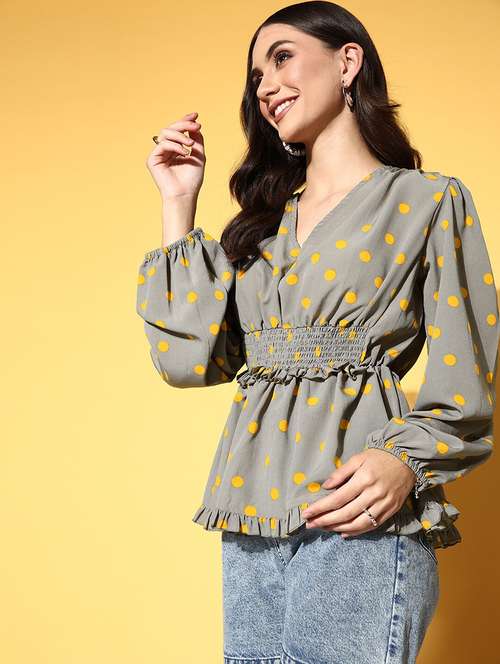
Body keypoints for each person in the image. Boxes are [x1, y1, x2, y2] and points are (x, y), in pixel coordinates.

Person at [136, 2, 499, 662]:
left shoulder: (427, 200)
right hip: (251, 514)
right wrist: (177, 202)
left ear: (347, 61)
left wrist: (406, 460)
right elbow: (186, 359)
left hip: (358, 513)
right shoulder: (260, 225)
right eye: (255, 76)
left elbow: (466, 373)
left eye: (282, 58)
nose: (266, 86)